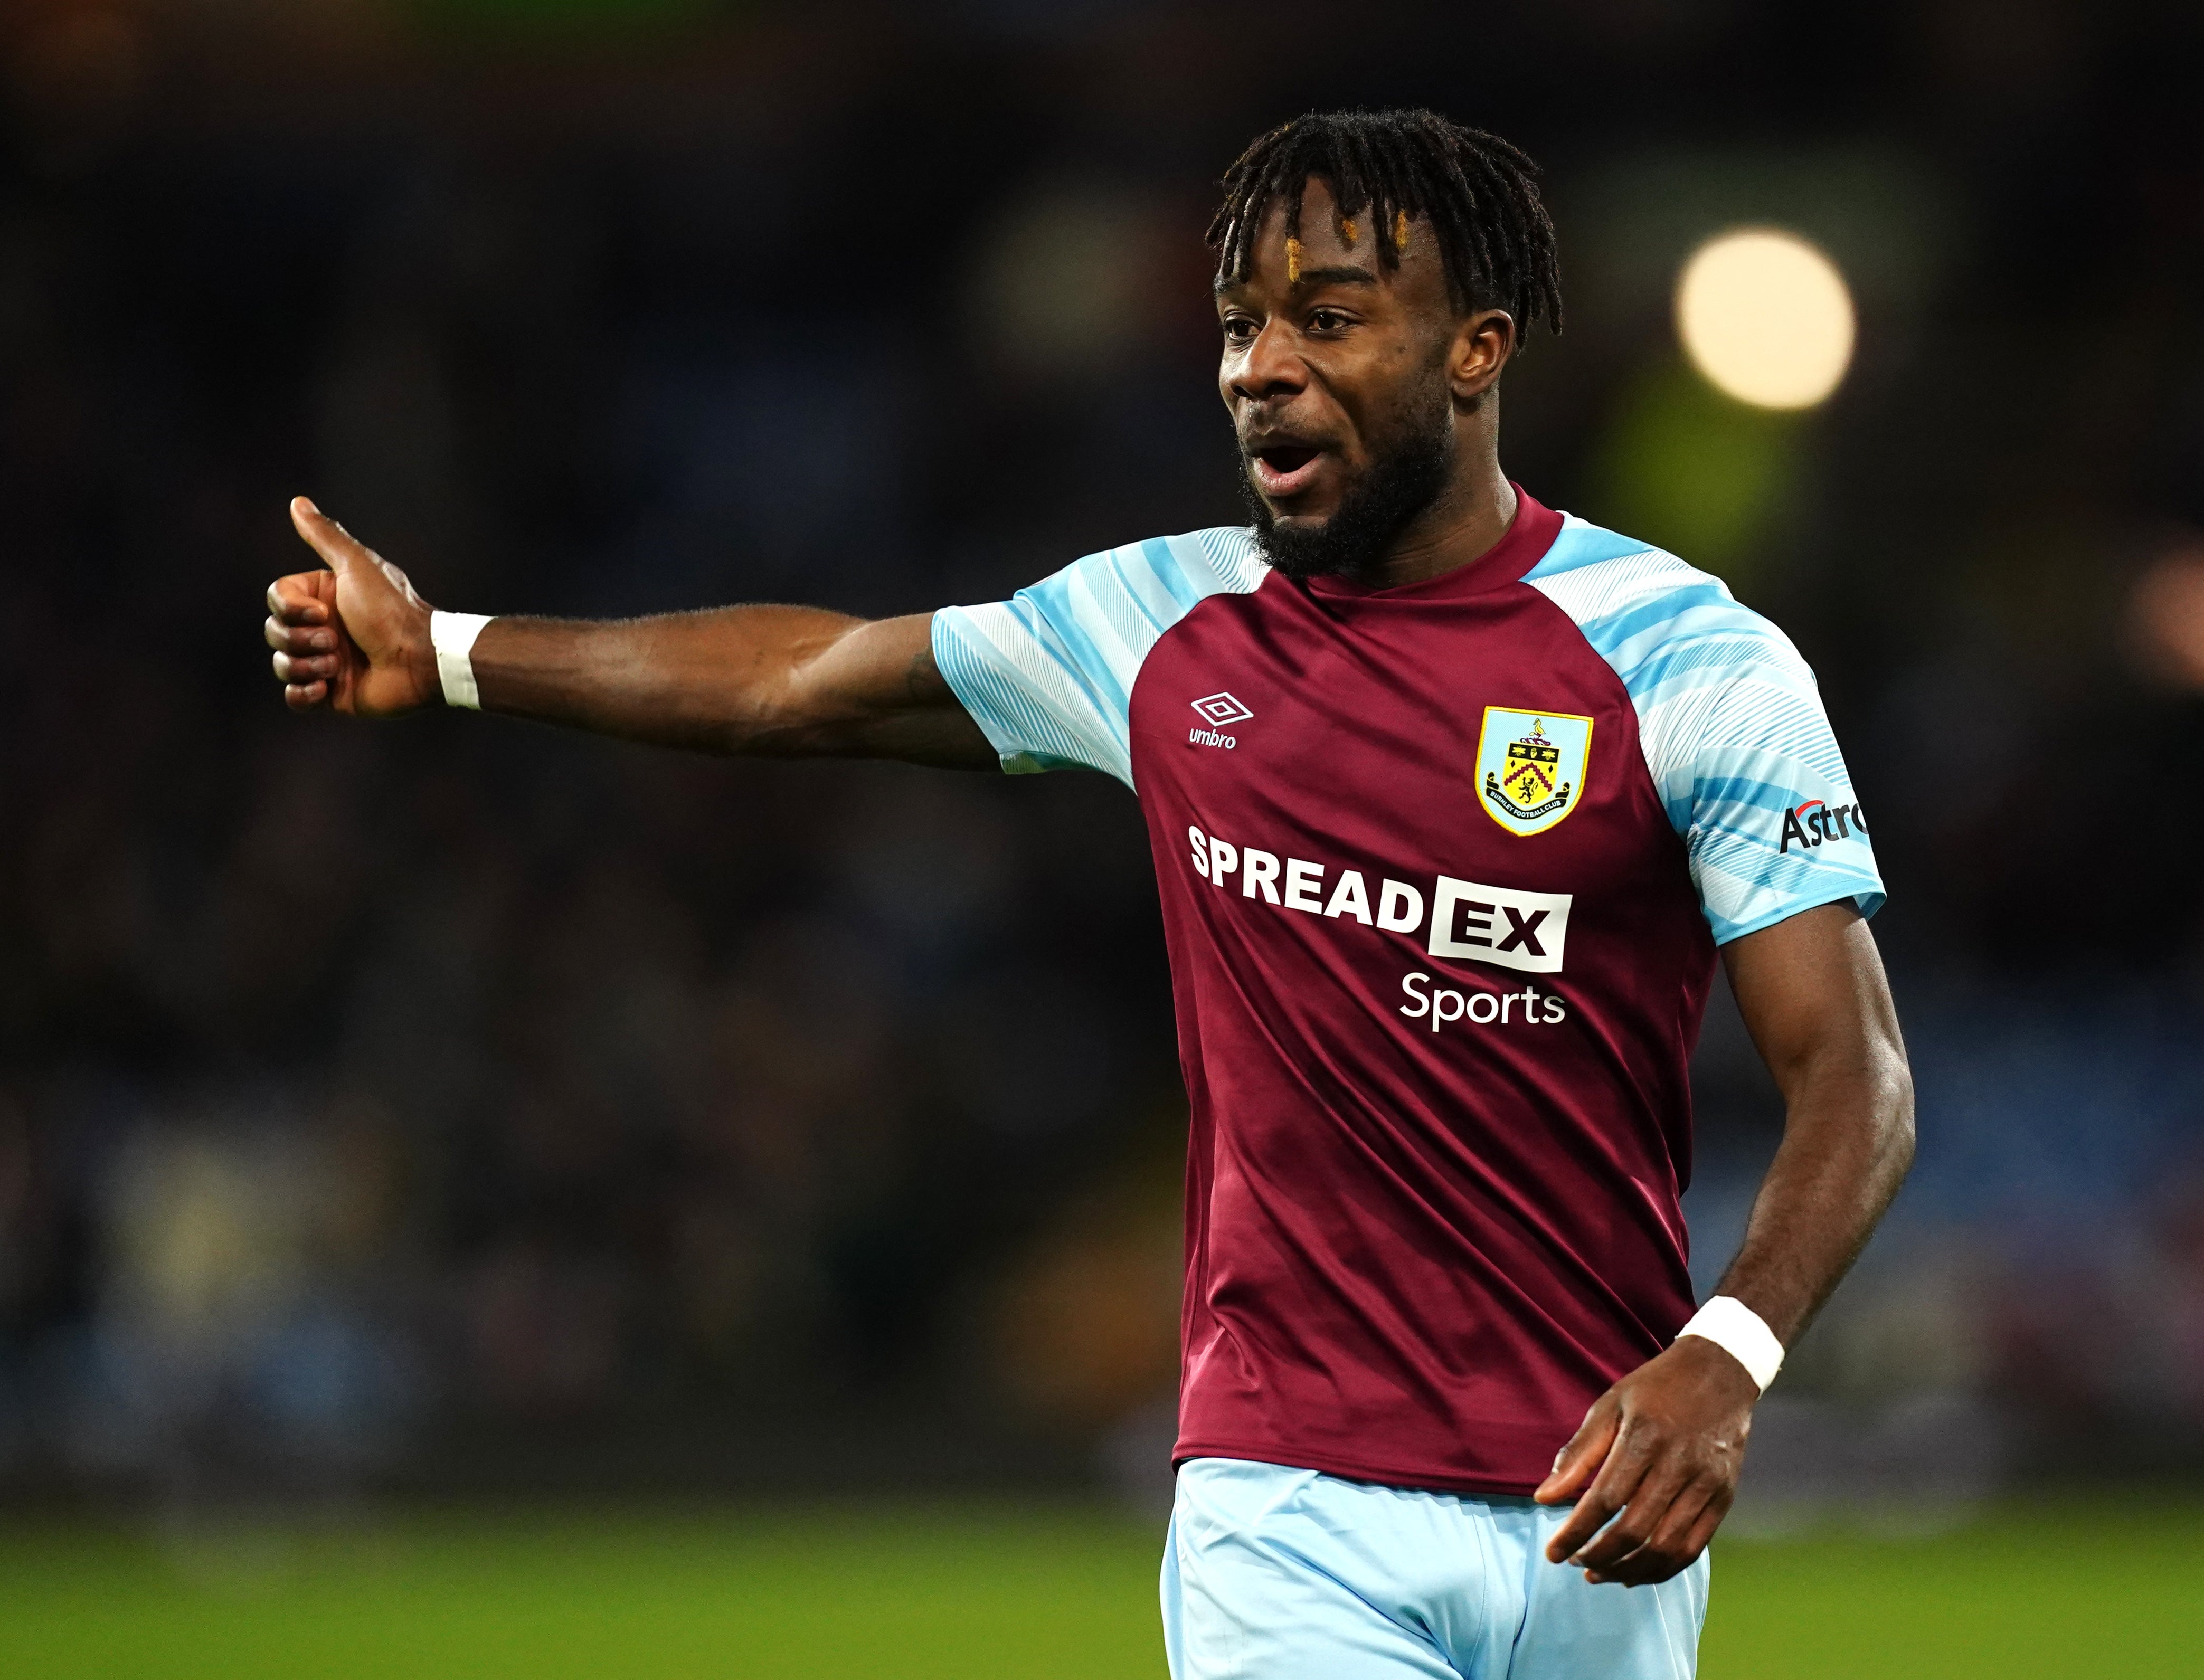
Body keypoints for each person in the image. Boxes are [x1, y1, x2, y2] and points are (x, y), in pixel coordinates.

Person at [264, 108, 1913, 1680]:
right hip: (1290, 1503)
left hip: (1599, 1496)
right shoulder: (1166, 625)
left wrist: (1730, 1356)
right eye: (1238, 327)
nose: (1261, 370)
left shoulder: (1685, 659)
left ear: (1478, 348)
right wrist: (455, 652)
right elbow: (809, 679)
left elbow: (1857, 1075)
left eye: (1327, 319)